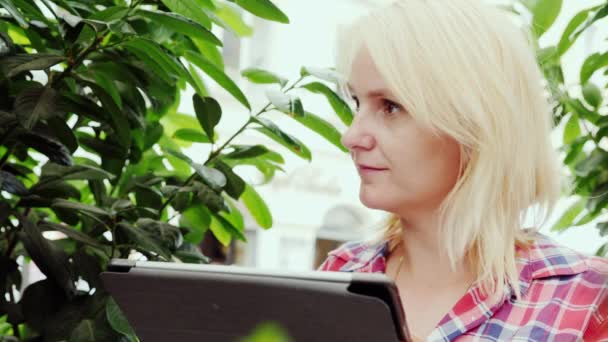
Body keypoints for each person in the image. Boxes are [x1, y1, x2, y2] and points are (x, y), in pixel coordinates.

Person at [317, 0, 608, 341]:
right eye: (356, 102)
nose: (350, 136)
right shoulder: (339, 276)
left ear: (476, 124)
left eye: (391, 106)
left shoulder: (586, 299)